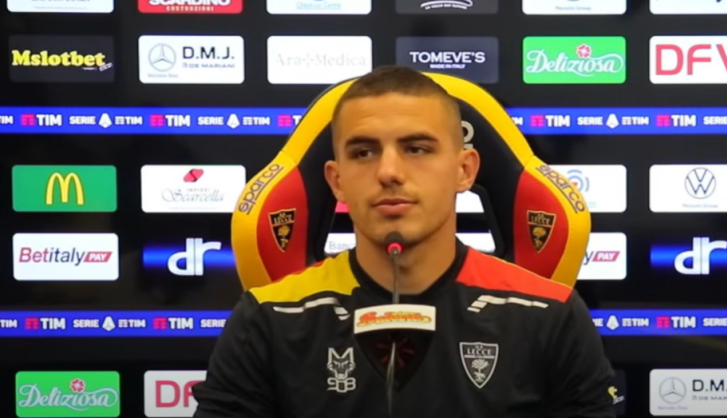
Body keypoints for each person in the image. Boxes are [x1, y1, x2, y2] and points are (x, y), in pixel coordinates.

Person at [193, 66, 615, 418]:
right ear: (337, 181)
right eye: (363, 152)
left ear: (464, 171)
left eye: (416, 149)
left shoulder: (550, 315)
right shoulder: (267, 318)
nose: (389, 172)